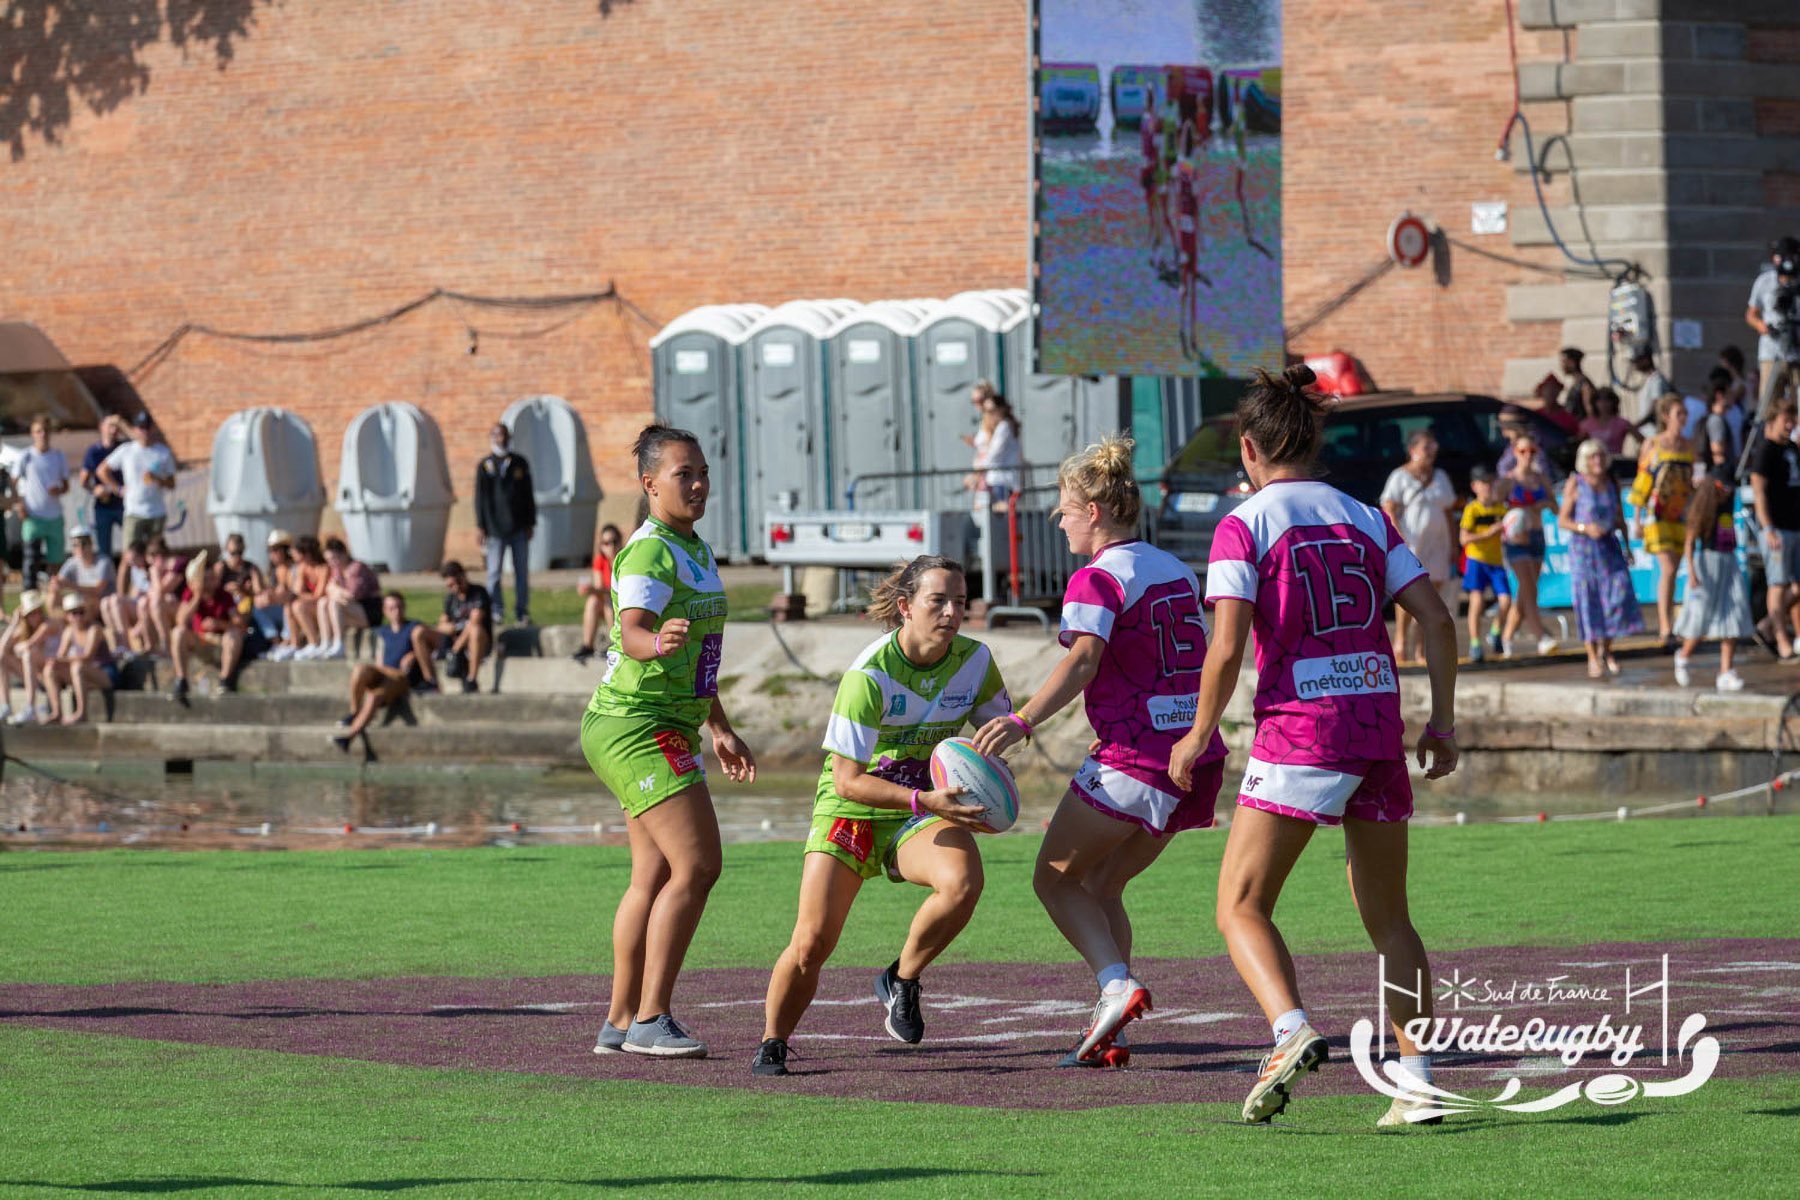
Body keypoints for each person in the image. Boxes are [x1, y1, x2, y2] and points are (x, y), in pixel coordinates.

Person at [1165, 363, 1460, 1128]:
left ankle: (1289, 1029)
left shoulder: (1244, 524)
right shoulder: (1366, 516)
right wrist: (1443, 723)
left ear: (1250, 450)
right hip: (1377, 726)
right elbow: (1437, 620)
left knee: (1240, 905)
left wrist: (1198, 733)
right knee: (1391, 920)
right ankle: (1419, 1082)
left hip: (1304, 728)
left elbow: (1226, 646)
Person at [970, 435, 1227, 1070]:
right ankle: (1114, 1028)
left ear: (1094, 511)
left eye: (1064, 509)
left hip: (1138, 760)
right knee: (1104, 884)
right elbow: (1167, 663)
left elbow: (1083, 660)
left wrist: (1023, 719)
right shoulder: (1173, 568)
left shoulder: (1096, 577)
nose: (1058, 521)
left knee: (1052, 879)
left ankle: (1116, 987)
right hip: (1195, 757)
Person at [753, 556, 1009, 1077]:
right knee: (811, 944)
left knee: (962, 884)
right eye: (938, 601)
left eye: (960, 602)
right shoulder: (869, 674)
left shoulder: (976, 662)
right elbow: (847, 781)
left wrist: (1005, 751)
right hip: (854, 808)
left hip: (919, 809)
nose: (951, 612)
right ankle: (773, 1041)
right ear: (905, 607)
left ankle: (902, 979)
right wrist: (924, 801)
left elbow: (997, 735)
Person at [584, 425, 755, 1061]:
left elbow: (700, 656)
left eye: (703, 472)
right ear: (650, 484)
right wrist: (655, 642)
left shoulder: (695, 548)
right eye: (685, 474)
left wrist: (719, 726)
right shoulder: (650, 551)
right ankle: (651, 1019)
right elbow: (630, 631)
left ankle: (619, 1020)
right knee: (700, 864)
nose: (700, 484)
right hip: (635, 723)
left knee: (653, 874)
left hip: (666, 722)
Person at [1561, 438, 1646, 677]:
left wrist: (1627, 546)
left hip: (1609, 547)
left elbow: (1619, 517)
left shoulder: (1611, 482)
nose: (1597, 461)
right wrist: (1584, 528)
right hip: (1584, 550)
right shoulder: (1576, 483)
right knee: (1589, 601)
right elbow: (1563, 519)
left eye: (1600, 455)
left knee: (1616, 597)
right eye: (1592, 457)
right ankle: (1592, 655)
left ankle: (1606, 650)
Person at [1380, 430, 1457, 664]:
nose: (1431, 452)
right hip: (1412, 545)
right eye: (1426, 447)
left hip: (1437, 545)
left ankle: (1420, 649)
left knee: (1431, 598)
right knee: (1409, 594)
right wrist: (1398, 537)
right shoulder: (1400, 477)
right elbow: (1389, 508)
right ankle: (1400, 641)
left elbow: (1448, 512)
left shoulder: (1440, 476)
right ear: (1412, 450)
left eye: (1433, 446)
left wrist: (1454, 545)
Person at [330, 593, 441, 752]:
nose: (396, 611)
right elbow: (379, 659)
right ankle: (354, 712)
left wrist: (414, 654)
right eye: (392, 608)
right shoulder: (383, 632)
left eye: (399, 607)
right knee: (359, 670)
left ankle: (349, 736)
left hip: (400, 677)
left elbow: (436, 642)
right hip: (383, 672)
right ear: (385, 611)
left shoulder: (413, 627)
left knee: (374, 696)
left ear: (404, 607)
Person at [1629, 394, 1697, 642]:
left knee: (1674, 569)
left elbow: (1693, 482)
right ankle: (1665, 625)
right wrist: (1637, 520)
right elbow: (1643, 481)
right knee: (1667, 568)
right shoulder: (1654, 444)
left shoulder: (1689, 446)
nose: (1683, 418)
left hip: (1680, 513)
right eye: (1679, 413)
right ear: (1666, 416)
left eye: (1685, 413)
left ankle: (1670, 620)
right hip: (1657, 514)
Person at [1671, 477, 1751, 692]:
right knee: (1701, 618)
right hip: (1707, 564)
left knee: (1733, 614)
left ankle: (1726, 671)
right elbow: (1689, 543)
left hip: (1728, 561)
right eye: (1723, 486)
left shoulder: (1727, 509)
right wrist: (1692, 572)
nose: (1728, 491)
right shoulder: (1703, 509)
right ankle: (1683, 655)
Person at [1500, 433, 1559, 656]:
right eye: (1523, 451)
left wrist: (1544, 504)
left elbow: (1555, 507)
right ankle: (1541, 637)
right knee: (1528, 589)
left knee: (1526, 591)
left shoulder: (1541, 479)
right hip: (1516, 539)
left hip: (1536, 536)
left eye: (1532, 451)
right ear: (1515, 453)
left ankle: (1506, 636)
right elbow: (1495, 507)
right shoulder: (1509, 480)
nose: (1528, 455)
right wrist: (1514, 515)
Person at [1750, 399, 1800, 661]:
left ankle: (1766, 625)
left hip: (1795, 524)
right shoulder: (1766, 450)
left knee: (1796, 586)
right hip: (1776, 527)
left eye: (1792, 420)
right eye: (1785, 420)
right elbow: (1758, 491)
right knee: (1778, 585)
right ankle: (1781, 641)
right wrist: (1768, 527)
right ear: (1772, 421)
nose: (1790, 425)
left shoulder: (1791, 448)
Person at [475, 422, 536, 627]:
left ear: (508, 437)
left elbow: (528, 494)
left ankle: (521, 611)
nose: (500, 439)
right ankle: (495, 611)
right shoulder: (485, 466)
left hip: (518, 527)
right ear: (492, 438)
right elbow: (480, 498)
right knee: (493, 573)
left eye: (503, 435)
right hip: (494, 529)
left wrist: (530, 522)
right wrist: (481, 525)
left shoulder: (519, 463)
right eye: (496, 435)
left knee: (521, 573)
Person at [171, 551, 247, 702]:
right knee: (178, 632)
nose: (212, 581)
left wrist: (220, 624)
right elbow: (181, 620)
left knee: (233, 634)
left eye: (212, 577)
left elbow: (240, 623)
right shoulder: (190, 594)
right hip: (200, 642)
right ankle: (181, 680)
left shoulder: (224, 595)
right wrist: (197, 596)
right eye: (207, 578)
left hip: (221, 644)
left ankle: (225, 681)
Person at [97, 413, 177, 550]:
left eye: (147, 427)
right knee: (130, 554)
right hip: (134, 511)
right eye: (141, 428)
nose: (144, 431)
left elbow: (172, 483)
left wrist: (157, 479)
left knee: (155, 554)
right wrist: (118, 489)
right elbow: (102, 470)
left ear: (152, 428)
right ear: (135, 429)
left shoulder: (163, 452)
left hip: (156, 512)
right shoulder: (126, 450)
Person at [1459, 465, 1511, 661]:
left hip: (1497, 562)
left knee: (1506, 600)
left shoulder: (1501, 509)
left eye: (1490, 482)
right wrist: (1488, 534)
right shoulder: (1472, 509)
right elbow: (1464, 539)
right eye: (1484, 483)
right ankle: (1475, 643)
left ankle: (1495, 632)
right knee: (1477, 601)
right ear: (1475, 486)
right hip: (1477, 560)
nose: (1488, 486)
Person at [1745, 236, 1800, 417]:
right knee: (1768, 406)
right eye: (1782, 256)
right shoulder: (1765, 281)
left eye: (1791, 256)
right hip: (1772, 351)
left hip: (1796, 351)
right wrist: (1762, 326)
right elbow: (1751, 314)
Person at [42, 592, 115, 725]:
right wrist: (54, 663)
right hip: (84, 673)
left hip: (105, 673)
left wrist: (61, 661)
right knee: (49, 670)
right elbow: (60, 656)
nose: (78, 616)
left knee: (78, 666)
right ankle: (57, 712)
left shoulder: (94, 629)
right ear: (67, 615)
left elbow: (87, 657)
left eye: (81, 612)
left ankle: (82, 713)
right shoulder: (69, 631)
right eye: (74, 613)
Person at [14, 414, 71, 580]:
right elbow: (13, 482)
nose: (43, 434)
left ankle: (54, 592)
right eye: (39, 431)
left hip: (54, 516)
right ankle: (30, 593)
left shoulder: (58, 456)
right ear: (32, 433)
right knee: (31, 560)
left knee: (56, 562)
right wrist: (19, 505)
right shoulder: (26, 456)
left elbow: (66, 486)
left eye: (46, 430)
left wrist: (58, 490)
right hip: (33, 516)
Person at [312, 536, 380, 661]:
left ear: (344, 554)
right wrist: (336, 591)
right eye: (328, 560)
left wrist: (336, 590)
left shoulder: (357, 567)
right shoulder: (337, 570)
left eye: (334, 558)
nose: (332, 563)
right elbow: (328, 590)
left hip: (369, 612)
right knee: (323, 602)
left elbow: (352, 595)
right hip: (352, 610)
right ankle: (325, 642)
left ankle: (339, 644)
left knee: (334, 603)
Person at [0, 589, 59, 724]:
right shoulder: (24, 629)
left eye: (38, 611)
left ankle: (30, 707)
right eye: (31, 613)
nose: (36, 615)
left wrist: (17, 648)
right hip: (37, 676)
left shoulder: (49, 624)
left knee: (27, 654)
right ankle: (5, 705)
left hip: (53, 673)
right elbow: (2, 649)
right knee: (3, 657)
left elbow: (29, 645)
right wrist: (14, 623)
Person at [436, 560, 493, 694]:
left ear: (464, 576)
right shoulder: (450, 599)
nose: (456, 588)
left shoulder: (478, 592)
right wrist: (447, 627)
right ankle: (430, 681)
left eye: (458, 582)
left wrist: (455, 648)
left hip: (479, 641)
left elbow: (475, 621)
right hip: (458, 641)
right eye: (450, 585)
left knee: (474, 629)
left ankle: (471, 679)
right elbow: (441, 624)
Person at [572, 523, 624, 665]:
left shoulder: (625, 559)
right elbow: (600, 588)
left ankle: (616, 643)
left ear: (620, 542)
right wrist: (591, 590)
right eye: (606, 543)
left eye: (614, 542)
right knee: (593, 601)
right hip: (608, 604)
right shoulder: (600, 561)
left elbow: (619, 591)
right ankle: (587, 645)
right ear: (601, 546)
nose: (611, 547)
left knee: (608, 601)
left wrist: (594, 590)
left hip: (622, 605)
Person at [79, 414, 126, 560]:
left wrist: (123, 424)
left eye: (116, 427)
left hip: (124, 505)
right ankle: (107, 574)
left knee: (132, 546)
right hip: (103, 506)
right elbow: (83, 480)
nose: (113, 430)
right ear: (102, 427)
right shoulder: (94, 451)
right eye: (110, 426)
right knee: (104, 551)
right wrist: (94, 490)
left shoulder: (124, 448)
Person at [963, 391, 1023, 504]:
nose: (988, 415)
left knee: (1000, 512)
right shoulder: (1002, 426)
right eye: (985, 411)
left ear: (1001, 409)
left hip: (1001, 480)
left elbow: (994, 454)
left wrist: (977, 473)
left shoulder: (1004, 426)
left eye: (991, 411)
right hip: (1000, 480)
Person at [100, 538, 153, 656]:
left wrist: (140, 624)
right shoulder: (135, 570)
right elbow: (134, 594)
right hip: (137, 606)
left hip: (145, 607)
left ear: (141, 556)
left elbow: (151, 598)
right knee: (105, 602)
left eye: (134, 558)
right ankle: (117, 642)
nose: (131, 561)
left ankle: (125, 644)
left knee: (116, 600)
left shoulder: (151, 570)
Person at [252, 531, 296, 661]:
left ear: (285, 550)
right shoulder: (271, 571)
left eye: (276, 550)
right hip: (278, 608)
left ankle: (287, 641)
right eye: (270, 551)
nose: (272, 554)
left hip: (291, 609)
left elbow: (291, 594)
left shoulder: (293, 569)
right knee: (257, 608)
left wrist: (272, 596)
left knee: (289, 606)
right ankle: (275, 642)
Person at [49, 525, 116, 612]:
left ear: (91, 544)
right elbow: (59, 582)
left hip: (102, 605)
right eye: (75, 545)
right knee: (53, 595)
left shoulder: (104, 562)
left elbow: (97, 591)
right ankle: (59, 618)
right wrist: (56, 584)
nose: (80, 548)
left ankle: (75, 617)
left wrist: (69, 585)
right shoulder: (71, 562)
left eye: (83, 543)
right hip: (81, 603)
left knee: (88, 601)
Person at [287, 536, 331, 658]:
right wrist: (295, 595)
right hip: (312, 603)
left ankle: (313, 642)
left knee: (298, 606)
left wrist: (297, 596)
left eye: (296, 552)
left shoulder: (323, 568)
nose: (293, 555)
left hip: (323, 607)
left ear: (306, 554)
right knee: (289, 606)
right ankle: (294, 644)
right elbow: (297, 591)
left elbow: (319, 595)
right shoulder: (303, 567)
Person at [1701, 368, 1743, 481]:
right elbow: (1718, 454)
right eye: (1730, 393)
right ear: (1719, 395)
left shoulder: (1718, 418)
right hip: (1719, 478)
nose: (1733, 397)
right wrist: (1724, 480)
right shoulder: (1716, 420)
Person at [1578, 388, 1632, 457]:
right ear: (1594, 402)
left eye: (1607, 399)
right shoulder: (1586, 424)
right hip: (1595, 461)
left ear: (1613, 402)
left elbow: (1641, 439)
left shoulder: (1622, 423)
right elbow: (1579, 444)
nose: (1603, 403)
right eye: (1599, 399)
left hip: (1615, 461)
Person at [1627, 349, 1671, 431]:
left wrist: (1635, 427)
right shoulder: (1649, 379)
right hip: (1647, 432)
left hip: (1655, 432)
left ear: (1646, 360)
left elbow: (1656, 408)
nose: (1634, 365)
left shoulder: (1657, 381)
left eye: (1636, 361)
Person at [1559, 347, 1598, 423]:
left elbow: (1590, 411)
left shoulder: (1585, 384)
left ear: (1572, 363)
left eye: (1563, 362)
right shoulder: (1576, 383)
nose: (1561, 366)